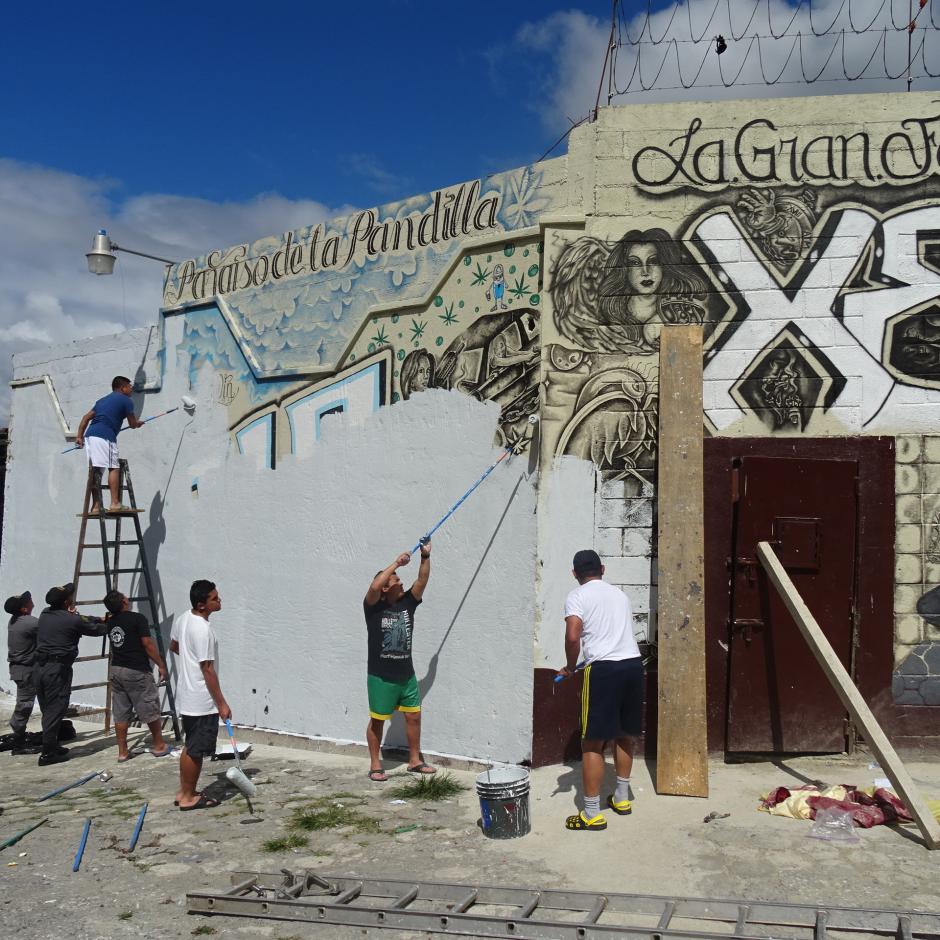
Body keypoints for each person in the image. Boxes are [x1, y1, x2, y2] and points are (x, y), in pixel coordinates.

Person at [557, 549, 643, 832]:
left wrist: (570, 666)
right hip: (632, 666)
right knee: (624, 734)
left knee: (592, 742)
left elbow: (573, 635)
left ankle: (591, 813)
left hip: (603, 672)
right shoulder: (620, 595)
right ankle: (621, 799)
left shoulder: (577, 595)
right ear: (602, 569)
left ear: (575, 574)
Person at [363, 540, 436, 781]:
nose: (401, 581)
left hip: (406, 675)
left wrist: (424, 557)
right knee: (378, 720)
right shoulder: (373, 607)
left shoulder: (407, 604)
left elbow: (422, 581)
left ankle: (414, 760)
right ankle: (376, 764)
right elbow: (374, 586)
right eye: (395, 580)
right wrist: (396, 563)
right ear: (385, 588)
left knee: (414, 715)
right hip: (381, 676)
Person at [33, 583, 108, 765]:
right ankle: (48, 753)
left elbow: (79, 619)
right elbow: (96, 630)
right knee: (56, 708)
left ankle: (52, 744)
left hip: (40, 667)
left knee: (47, 709)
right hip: (57, 670)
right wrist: (114, 622)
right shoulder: (71, 620)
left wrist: (95, 618)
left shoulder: (45, 614)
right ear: (67, 601)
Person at [169, 580, 229, 811]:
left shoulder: (184, 619)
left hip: (188, 696)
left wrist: (189, 657)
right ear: (202, 604)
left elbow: (174, 646)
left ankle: (185, 791)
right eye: (215, 598)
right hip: (201, 700)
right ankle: (188, 797)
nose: (219, 600)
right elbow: (207, 669)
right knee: (196, 751)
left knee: (190, 747)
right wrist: (221, 703)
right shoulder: (202, 630)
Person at [104, 589, 173, 762]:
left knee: (120, 712)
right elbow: (147, 644)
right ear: (124, 602)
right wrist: (161, 664)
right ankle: (159, 745)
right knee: (149, 706)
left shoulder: (110, 622)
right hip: (135, 670)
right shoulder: (137, 619)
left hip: (116, 670)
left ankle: (122, 751)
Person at [75, 375, 144, 513]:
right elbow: (132, 424)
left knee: (96, 471)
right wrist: (137, 424)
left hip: (90, 436)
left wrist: (79, 437)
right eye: (129, 386)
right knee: (114, 467)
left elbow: (85, 418)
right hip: (105, 437)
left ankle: (96, 506)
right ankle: (115, 503)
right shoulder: (126, 400)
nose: (131, 389)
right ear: (122, 387)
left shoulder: (101, 401)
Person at [5, 590, 41, 755]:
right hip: (26, 670)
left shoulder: (15, 620)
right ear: (24, 609)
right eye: (29, 601)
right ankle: (18, 745)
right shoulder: (28, 622)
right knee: (24, 705)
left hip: (20, 668)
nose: (32, 602)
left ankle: (19, 739)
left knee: (24, 704)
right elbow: (48, 628)